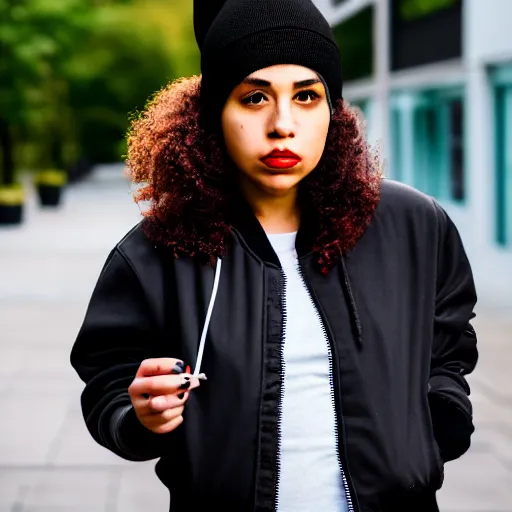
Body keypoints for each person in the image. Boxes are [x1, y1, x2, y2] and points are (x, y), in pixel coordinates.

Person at [70, 0, 478, 511]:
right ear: (216, 112)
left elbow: (448, 343)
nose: (283, 124)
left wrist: (438, 421)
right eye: (255, 97)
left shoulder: (413, 224)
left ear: (333, 110)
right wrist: (138, 416)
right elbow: (109, 374)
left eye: (306, 96)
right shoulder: (155, 250)